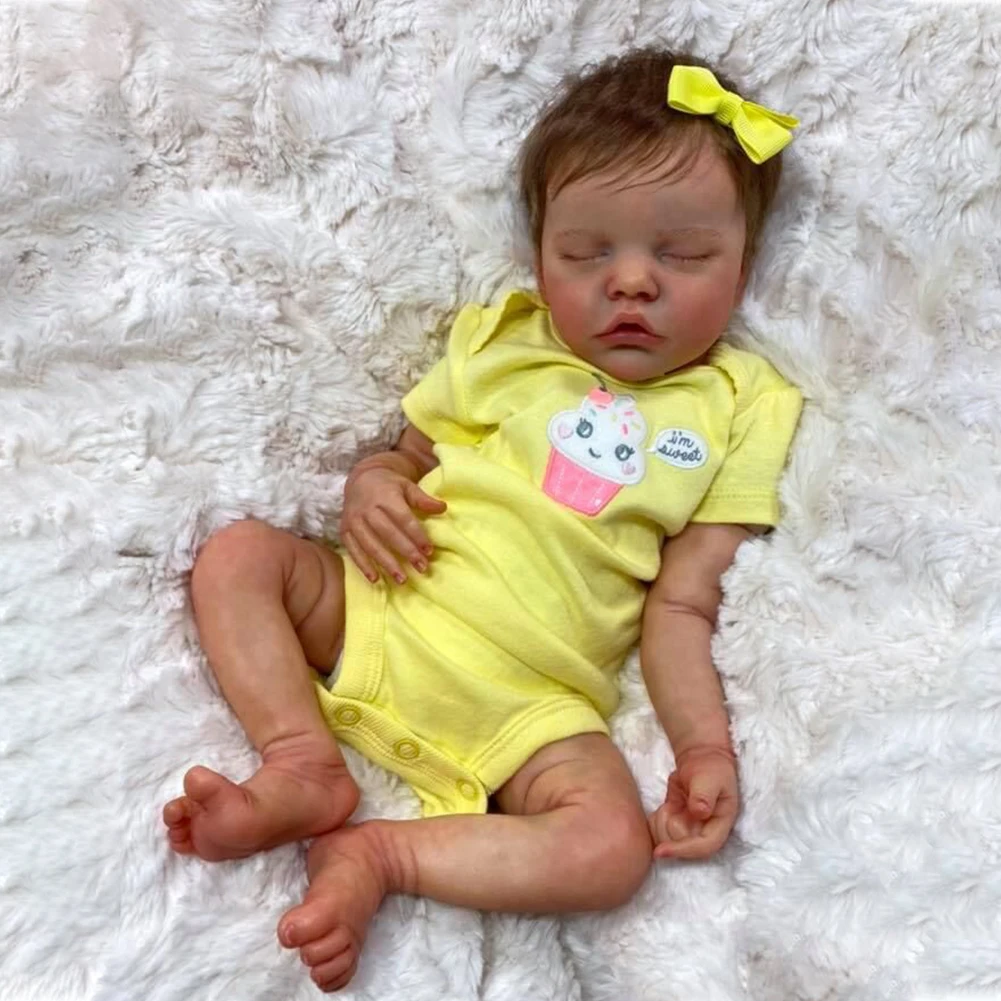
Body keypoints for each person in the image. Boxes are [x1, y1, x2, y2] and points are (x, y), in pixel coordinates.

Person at [162, 47, 803, 993]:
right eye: (586, 253)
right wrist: (371, 486)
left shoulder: (742, 402)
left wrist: (703, 747)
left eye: (682, 255)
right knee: (238, 556)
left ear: (743, 264)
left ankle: (382, 854)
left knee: (610, 851)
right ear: (539, 255)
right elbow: (404, 457)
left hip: (533, 705)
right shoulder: (505, 341)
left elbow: (682, 604)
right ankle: (300, 759)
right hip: (393, 601)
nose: (631, 281)